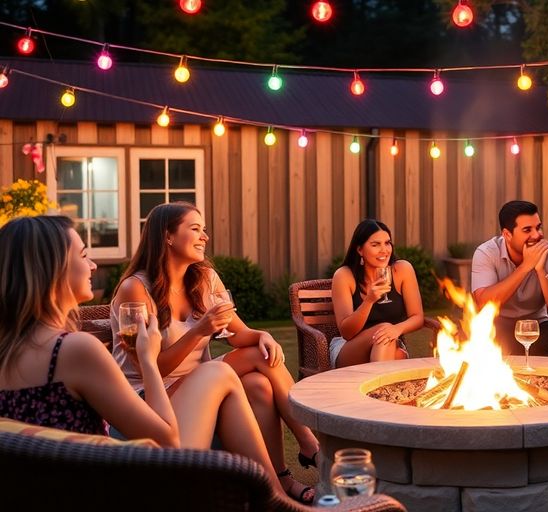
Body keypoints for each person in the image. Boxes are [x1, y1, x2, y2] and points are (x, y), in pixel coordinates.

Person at [0, 216, 278, 497]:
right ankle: (276, 497)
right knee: (219, 373)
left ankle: (275, 490)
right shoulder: (74, 349)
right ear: (52, 270)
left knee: (248, 384)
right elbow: (166, 441)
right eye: (84, 255)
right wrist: (147, 359)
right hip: (128, 491)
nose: (93, 265)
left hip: (45, 493)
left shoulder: (9, 352)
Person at [110, 202, 316, 503]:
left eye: (204, 230)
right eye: (195, 229)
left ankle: (284, 475)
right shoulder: (136, 289)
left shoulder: (203, 279)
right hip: (148, 398)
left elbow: (238, 333)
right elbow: (150, 369)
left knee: (259, 382)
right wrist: (200, 330)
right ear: (167, 236)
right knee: (232, 366)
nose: (204, 236)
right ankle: (298, 463)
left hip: (198, 386)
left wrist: (261, 335)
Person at [471, 200, 548, 358]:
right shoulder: (486, 253)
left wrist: (541, 271)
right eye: (527, 230)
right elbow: (484, 303)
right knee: (472, 337)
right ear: (507, 234)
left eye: (538, 227)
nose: (537, 235)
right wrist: (526, 266)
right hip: (496, 324)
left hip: (536, 324)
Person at [330, 219, 425, 367]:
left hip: (390, 342)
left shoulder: (403, 270)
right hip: (350, 348)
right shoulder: (344, 276)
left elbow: (418, 317)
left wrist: (396, 329)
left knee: (392, 348)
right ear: (360, 249)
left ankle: (378, 389)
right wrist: (368, 301)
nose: (384, 250)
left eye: (387, 243)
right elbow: (347, 333)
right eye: (375, 245)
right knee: (388, 341)